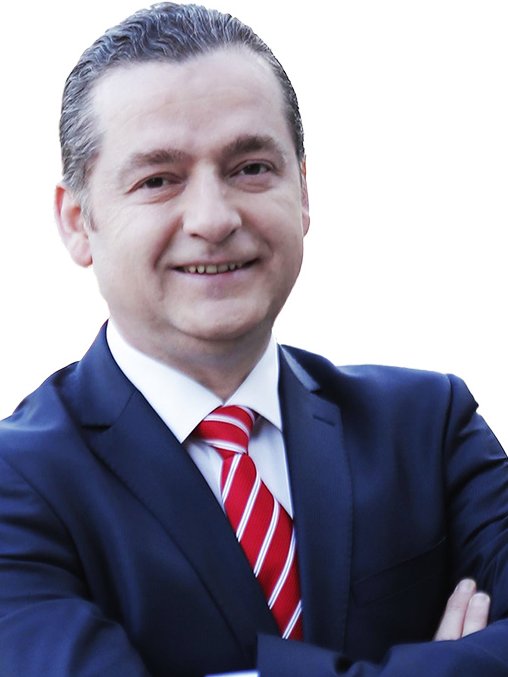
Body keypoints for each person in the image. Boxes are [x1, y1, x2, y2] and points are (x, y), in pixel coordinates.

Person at [0, 3, 506, 675]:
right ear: (76, 221)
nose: (214, 219)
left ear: (303, 191)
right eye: (158, 180)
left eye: (251, 168)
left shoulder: (429, 428)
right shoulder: (18, 483)